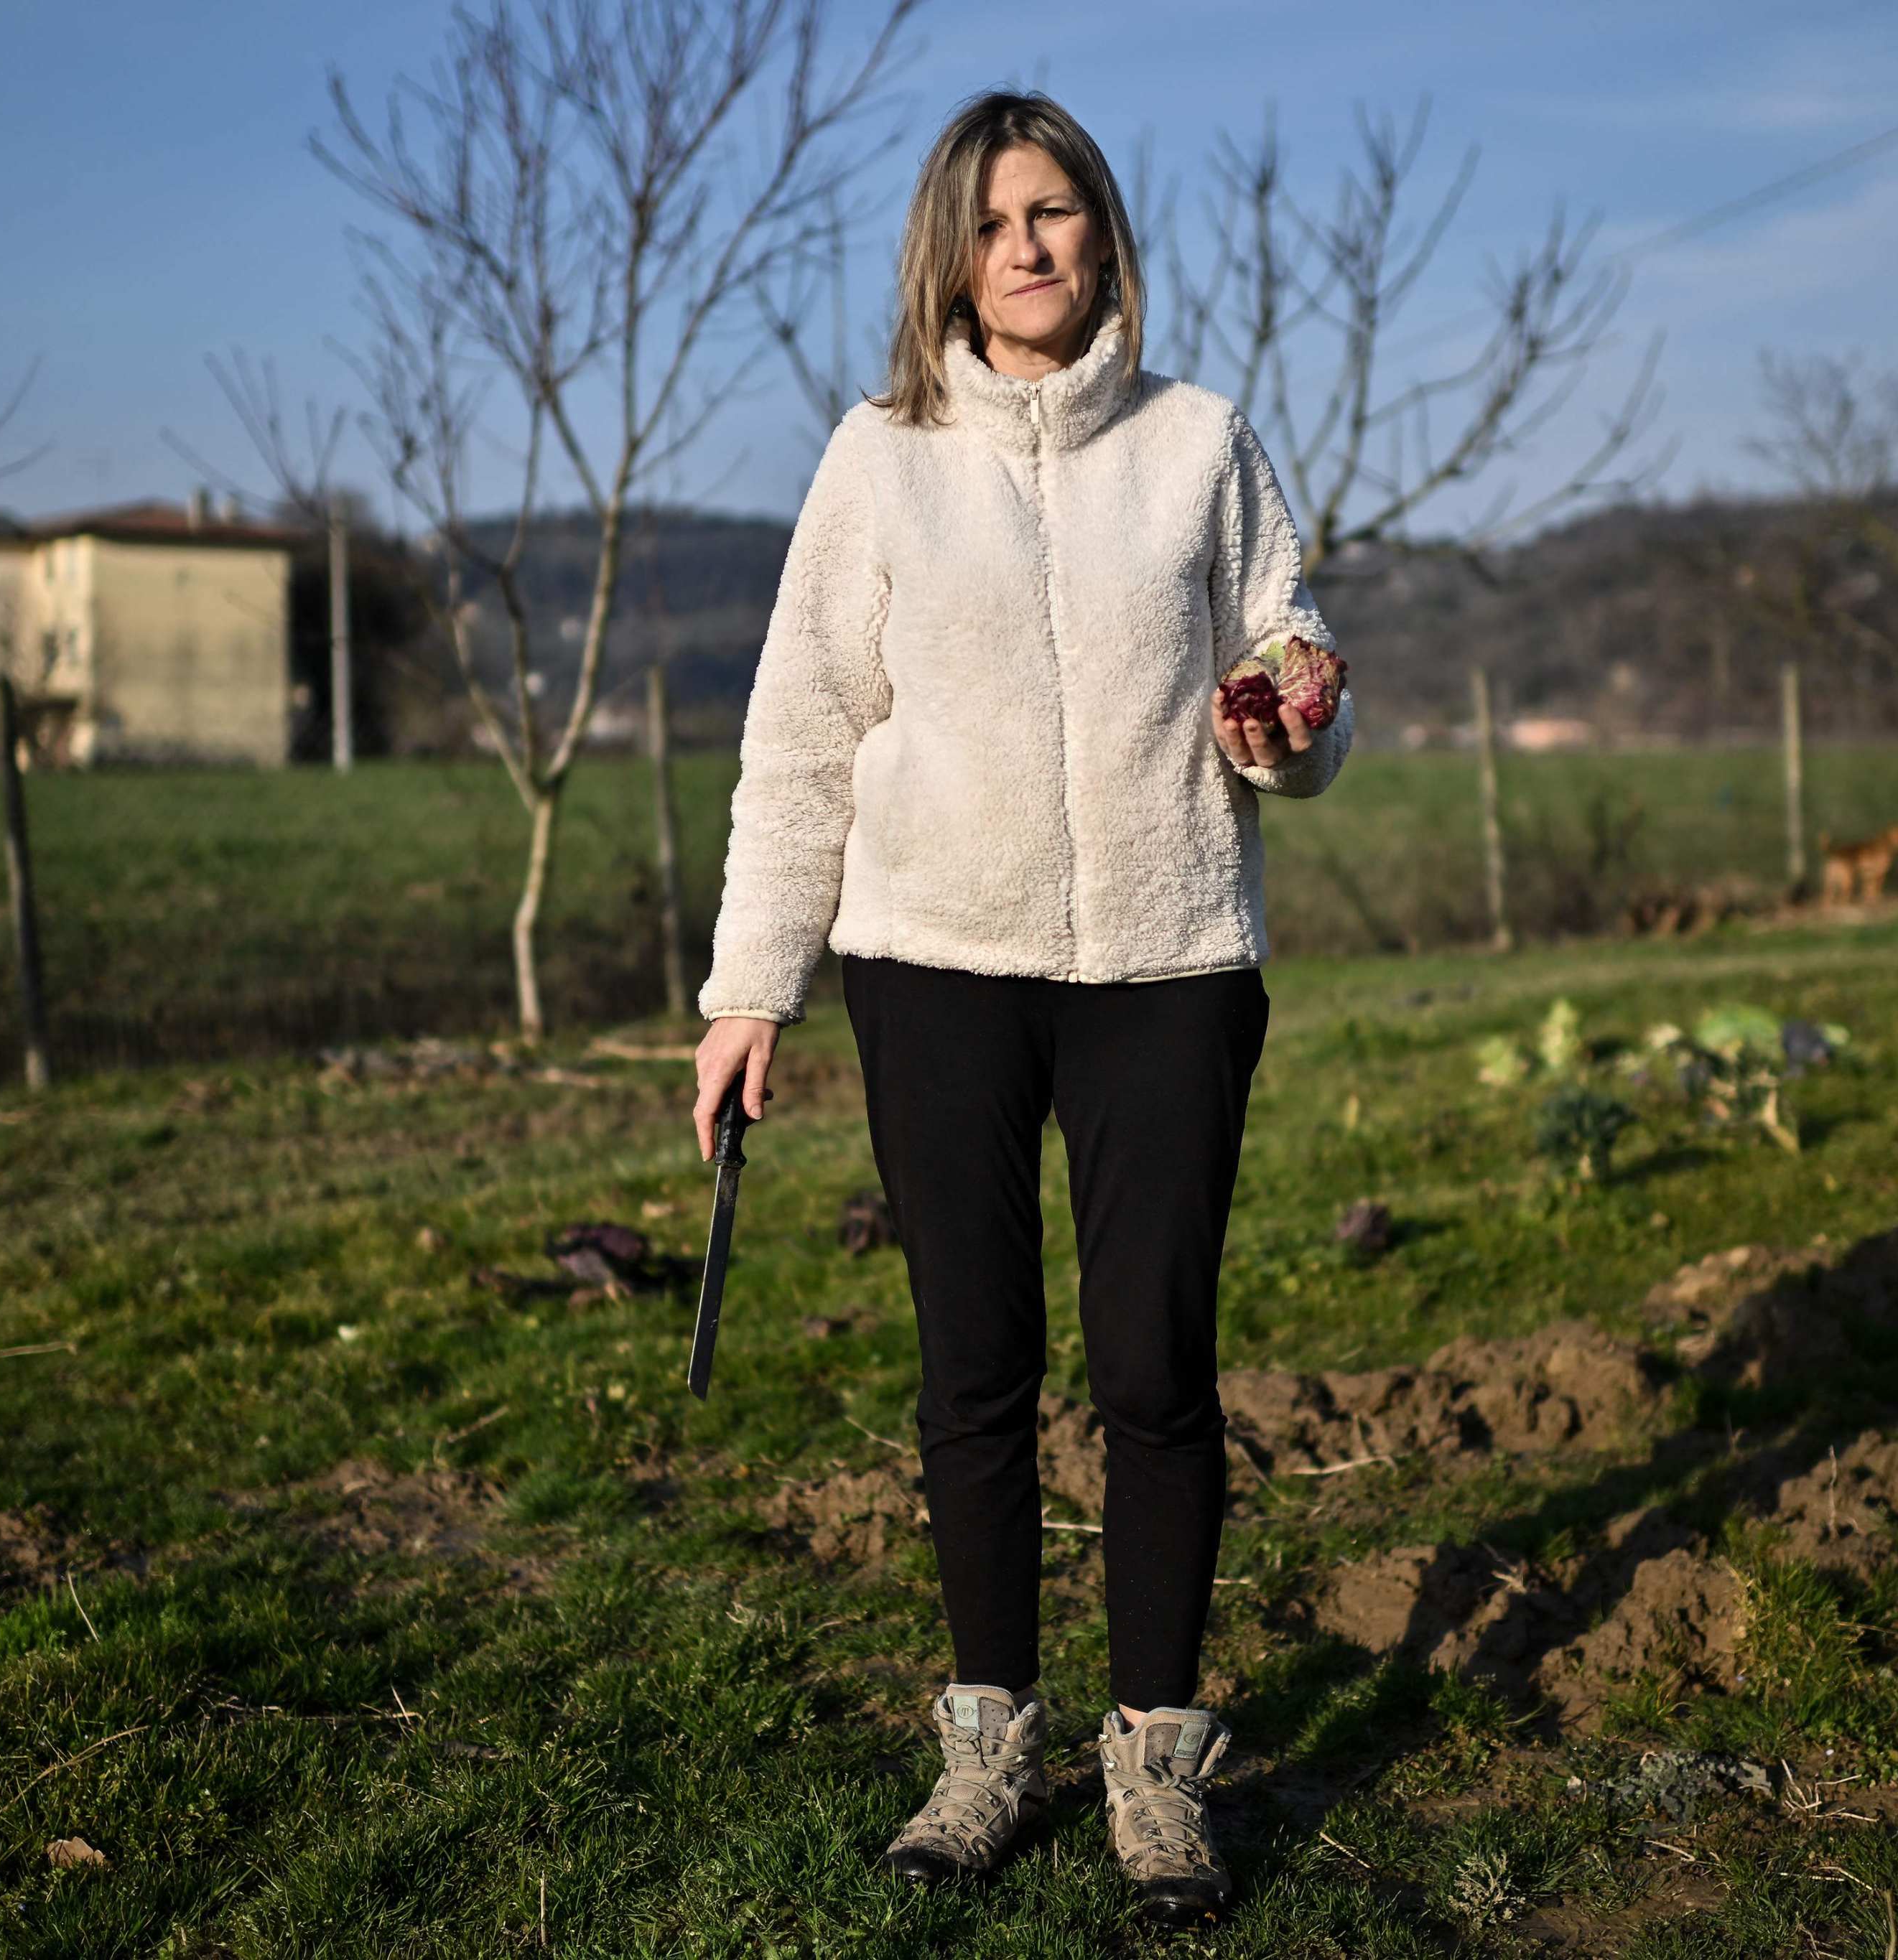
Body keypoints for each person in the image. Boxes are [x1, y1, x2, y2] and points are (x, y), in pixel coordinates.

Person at [688, 88, 1350, 1930]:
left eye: (1056, 211)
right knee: (973, 1374)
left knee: (1153, 1374)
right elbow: (798, 742)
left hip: (1165, 966)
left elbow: (1293, 675)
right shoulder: (875, 462)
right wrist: (753, 989)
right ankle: (987, 1752)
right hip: (937, 968)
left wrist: (1289, 724)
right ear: (949, 258)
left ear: (1101, 232)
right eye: (995, 222)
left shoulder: (1204, 445)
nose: (1031, 246)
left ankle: (1155, 1767)